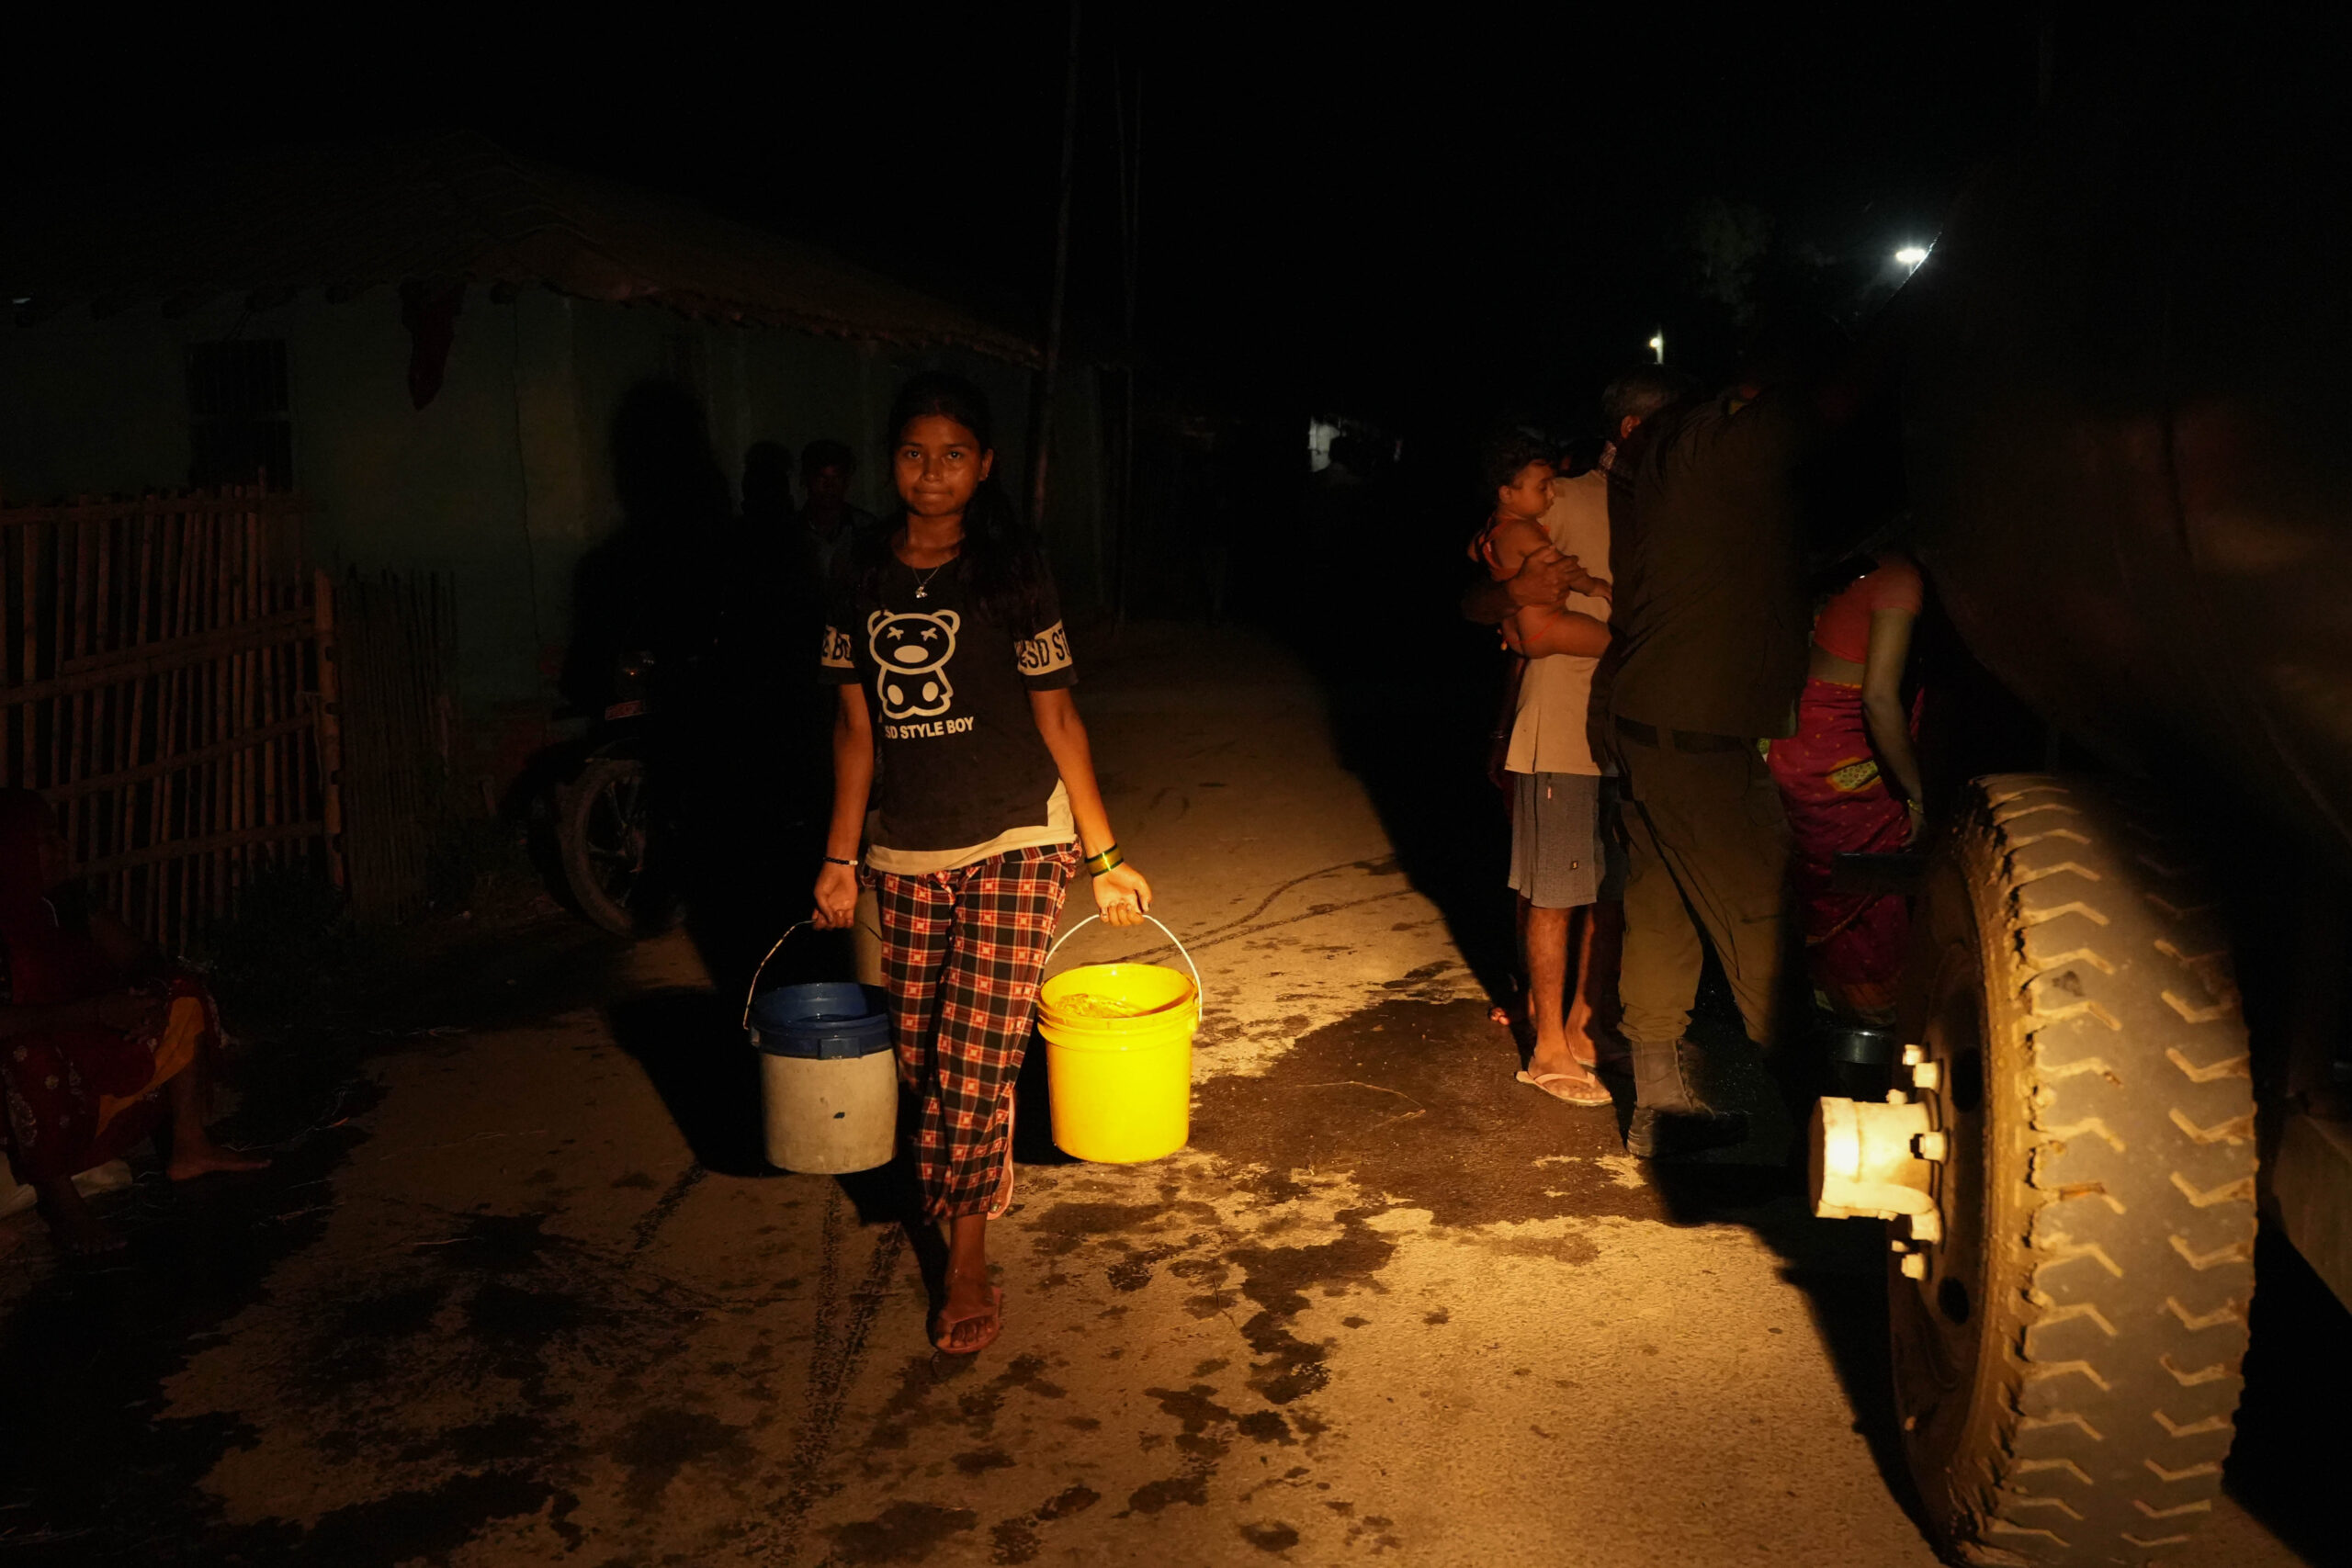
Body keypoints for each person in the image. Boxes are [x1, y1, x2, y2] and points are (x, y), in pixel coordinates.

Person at [810, 373, 1154, 1357]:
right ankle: (975, 1172)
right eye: (914, 454)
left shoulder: (1011, 570)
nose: (932, 473)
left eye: (953, 455)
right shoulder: (858, 572)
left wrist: (1105, 854)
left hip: (1019, 836)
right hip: (904, 847)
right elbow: (855, 729)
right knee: (926, 1056)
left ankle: (965, 1259)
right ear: (892, 461)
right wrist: (840, 857)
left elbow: (1059, 717)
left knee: (972, 1057)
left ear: (985, 465)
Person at [1604, 353, 1816, 1159]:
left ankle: (1659, 1109)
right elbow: (1806, 411)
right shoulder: (1702, 445)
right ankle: (1818, 1128)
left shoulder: (1652, 475)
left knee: (1660, 917)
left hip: (1650, 725)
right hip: (1699, 742)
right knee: (1761, 921)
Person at [0, 790, 266, 1256]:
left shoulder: (69, 903)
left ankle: (190, 1145)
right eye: (46, 840)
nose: (62, 849)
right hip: (38, 1079)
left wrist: (149, 1001)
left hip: (93, 1050)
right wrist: (98, 1011)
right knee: (25, 1054)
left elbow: (142, 959)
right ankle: (64, 1206)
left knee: (183, 992)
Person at [1469, 432, 1614, 1106]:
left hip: (1611, 722)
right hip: (1558, 724)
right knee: (1553, 886)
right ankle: (1548, 1043)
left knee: (1603, 887)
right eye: (1538, 483)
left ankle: (1579, 1026)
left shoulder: (1625, 501)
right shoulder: (1549, 511)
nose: (1548, 492)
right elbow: (1518, 623)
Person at [1766, 549, 1926, 1021]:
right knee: (1868, 885)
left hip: (1803, 746)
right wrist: (1918, 794)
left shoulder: (1858, 571)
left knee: (1822, 889)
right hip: (1840, 758)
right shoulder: (1900, 579)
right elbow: (1878, 698)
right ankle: (1872, 1021)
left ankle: (1825, 1017)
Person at [799, 438, 881, 581]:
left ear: (846, 481)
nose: (829, 486)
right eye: (821, 478)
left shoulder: (867, 529)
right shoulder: (788, 532)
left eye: (836, 478)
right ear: (808, 480)